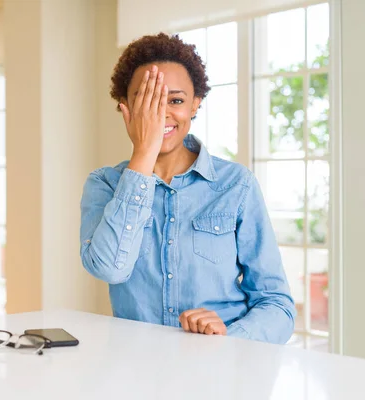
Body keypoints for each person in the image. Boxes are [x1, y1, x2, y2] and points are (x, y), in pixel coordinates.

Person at [79, 33, 295, 344]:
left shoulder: (237, 185)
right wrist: (143, 154)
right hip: (138, 373)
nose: (161, 114)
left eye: (176, 100)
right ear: (125, 107)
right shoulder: (103, 185)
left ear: (195, 105)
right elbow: (110, 269)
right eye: (146, 101)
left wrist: (229, 338)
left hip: (220, 373)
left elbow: (278, 306)